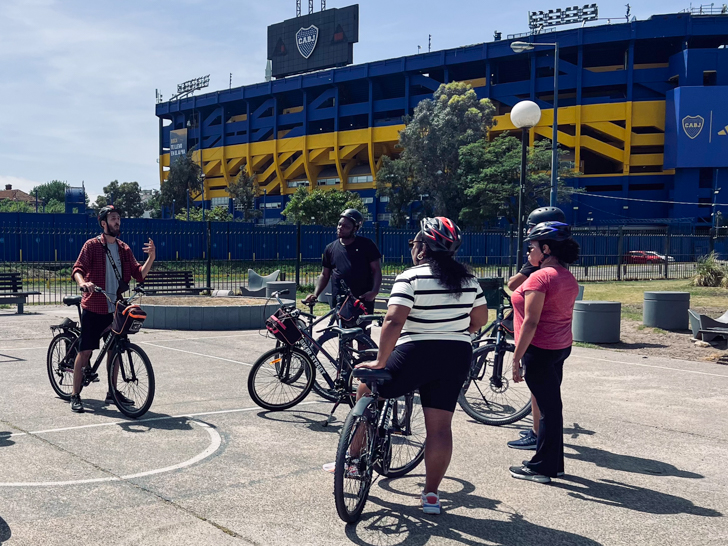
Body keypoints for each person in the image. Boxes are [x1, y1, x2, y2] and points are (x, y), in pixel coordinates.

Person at [356, 217, 488, 514]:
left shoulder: (411, 277)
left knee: (366, 386)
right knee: (440, 428)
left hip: (415, 351)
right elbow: (480, 321)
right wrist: (453, 332)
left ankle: (353, 458)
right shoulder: (469, 280)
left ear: (423, 248)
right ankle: (430, 495)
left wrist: (379, 359)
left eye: (415, 243)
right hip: (456, 355)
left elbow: (393, 320)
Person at [508, 221, 580, 483]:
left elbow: (531, 321)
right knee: (552, 407)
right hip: (560, 347)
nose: (528, 253)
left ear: (546, 248)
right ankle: (554, 464)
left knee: (549, 410)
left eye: (532, 248)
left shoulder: (540, 277)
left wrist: (516, 357)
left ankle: (542, 468)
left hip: (539, 349)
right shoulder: (566, 276)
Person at [69, 205, 156, 413]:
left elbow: (139, 274)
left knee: (115, 348)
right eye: (113, 218)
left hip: (114, 307)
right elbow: (77, 269)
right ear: (103, 223)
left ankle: (112, 392)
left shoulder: (124, 249)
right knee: (86, 350)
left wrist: (151, 257)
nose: (117, 221)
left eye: (118, 218)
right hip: (94, 306)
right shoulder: (92, 246)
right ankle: (75, 394)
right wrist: (83, 283)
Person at [506, 206, 566, 451]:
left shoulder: (540, 265)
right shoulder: (561, 264)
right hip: (560, 336)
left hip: (540, 338)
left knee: (540, 388)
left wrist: (516, 358)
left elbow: (513, 286)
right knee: (549, 393)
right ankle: (539, 433)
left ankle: (537, 435)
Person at [303, 209, 382, 313]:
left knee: (361, 329)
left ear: (355, 229)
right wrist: (315, 294)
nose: (341, 228)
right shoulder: (330, 248)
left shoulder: (367, 245)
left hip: (362, 300)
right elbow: (325, 274)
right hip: (339, 302)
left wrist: (374, 292)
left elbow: (376, 270)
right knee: (339, 329)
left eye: (346, 226)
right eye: (339, 224)